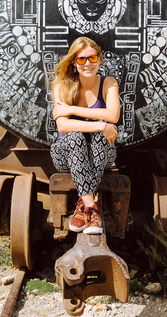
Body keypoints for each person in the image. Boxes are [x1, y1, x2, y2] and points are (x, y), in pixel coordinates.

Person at [50, 36, 120, 235]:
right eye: (81, 59)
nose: (87, 63)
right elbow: (63, 125)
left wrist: (73, 109)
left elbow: (113, 115)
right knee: (75, 137)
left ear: (100, 59)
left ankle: (84, 206)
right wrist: (101, 124)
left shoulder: (108, 83)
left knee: (99, 137)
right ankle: (92, 208)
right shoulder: (62, 85)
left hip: (101, 155)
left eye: (92, 58)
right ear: (74, 62)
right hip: (66, 154)